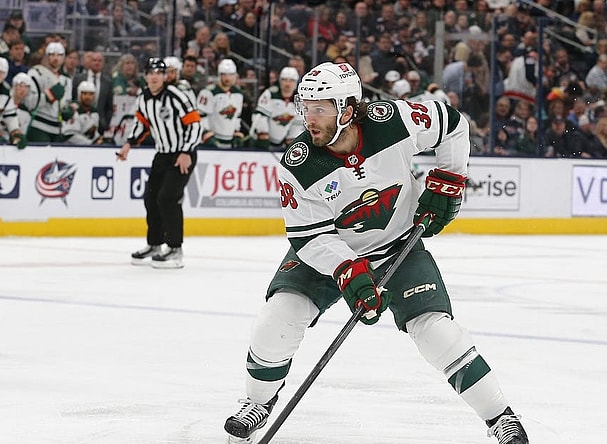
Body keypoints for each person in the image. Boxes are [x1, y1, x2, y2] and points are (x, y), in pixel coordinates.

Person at [222, 62, 528, 444]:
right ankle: (258, 403)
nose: (308, 119)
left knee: (437, 333)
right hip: (328, 253)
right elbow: (310, 237)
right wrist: (347, 269)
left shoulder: (393, 121)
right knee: (278, 316)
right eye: (305, 108)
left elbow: (452, 124)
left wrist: (450, 178)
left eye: (320, 109)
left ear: (348, 109)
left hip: (398, 245)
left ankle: (500, 417)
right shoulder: (297, 166)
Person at [115, 58, 202, 269]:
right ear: (145, 76)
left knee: (168, 198)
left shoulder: (176, 96)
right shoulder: (143, 97)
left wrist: (186, 151)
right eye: (150, 72)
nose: (154, 76)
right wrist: (128, 144)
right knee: (151, 198)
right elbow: (141, 124)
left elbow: (195, 124)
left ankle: (175, 248)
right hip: (162, 154)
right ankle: (154, 244)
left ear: (165, 76)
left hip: (183, 155)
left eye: (159, 72)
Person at [25, 42, 74, 143]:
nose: (56, 58)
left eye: (59, 55)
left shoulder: (66, 80)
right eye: (52, 55)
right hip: (38, 125)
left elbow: (66, 102)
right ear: (46, 56)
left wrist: (68, 110)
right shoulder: (35, 73)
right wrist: (49, 96)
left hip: (58, 128)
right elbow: (28, 102)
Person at [248, 66, 304, 151]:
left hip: (283, 144)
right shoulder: (270, 94)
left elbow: (298, 122)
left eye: (291, 80)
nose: (288, 84)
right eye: (285, 80)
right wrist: (263, 132)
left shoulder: (299, 100)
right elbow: (260, 115)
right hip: (263, 142)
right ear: (280, 81)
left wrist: (292, 137)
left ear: (296, 82)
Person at [196, 58, 245, 149]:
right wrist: (205, 132)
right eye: (224, 74)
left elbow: (237, 116)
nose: (227, 78)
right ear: (219, 75)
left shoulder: (238, 93)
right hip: (212, 140)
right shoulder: (209, 92)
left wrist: (236, 130)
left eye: (231, 75)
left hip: (230, 140)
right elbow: (200, 115)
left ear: (235, 76)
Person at [63, 80, 103, 145]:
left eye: (91, 94)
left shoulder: (95, 112)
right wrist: (90, 143)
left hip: (88, 149)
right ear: (79, 94)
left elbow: (91, 133)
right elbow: (70, 135)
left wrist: (98, 138)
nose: (88, 97)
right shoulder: (73, 110)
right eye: (85, 94)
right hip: (72, 149)